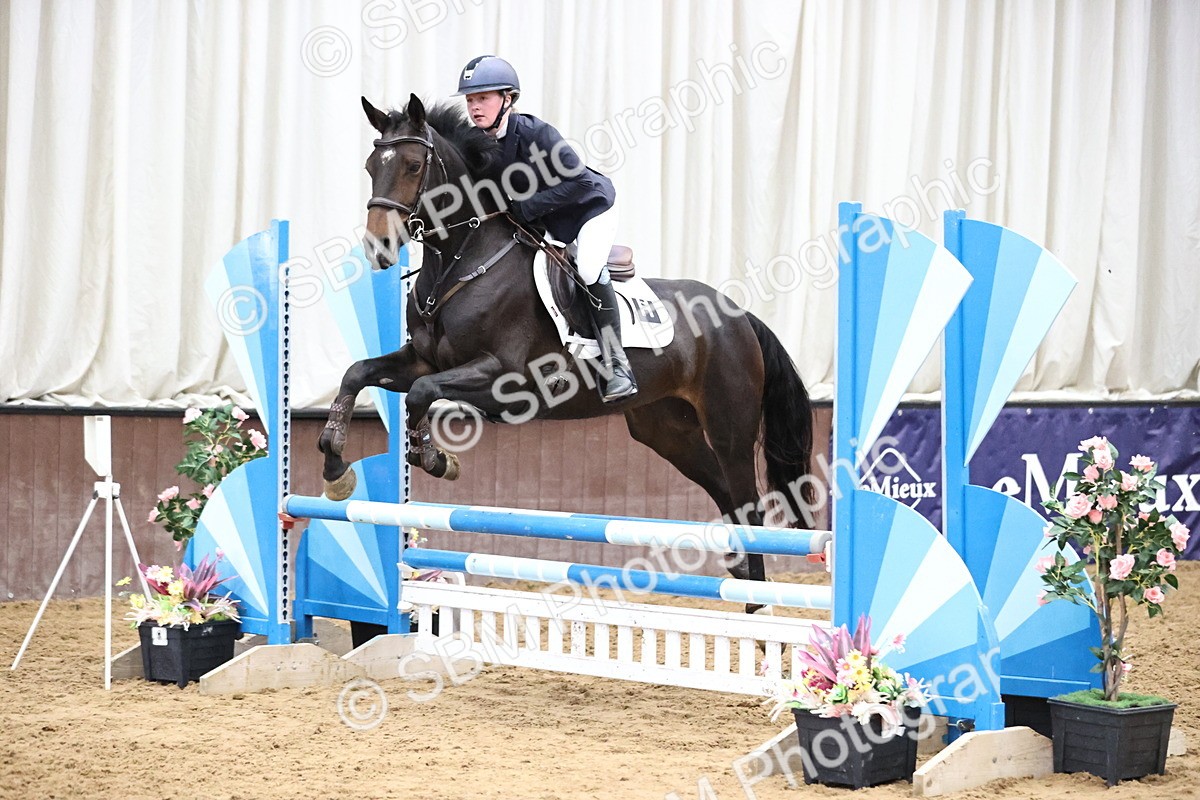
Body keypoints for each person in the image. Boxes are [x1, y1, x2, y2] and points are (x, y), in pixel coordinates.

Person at [455, 55, 637, 404]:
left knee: (587, 269)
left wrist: (526, 207)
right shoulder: (476, 141)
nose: (475, 107)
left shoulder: (536, 134)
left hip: (589, 209)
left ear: (508, 98)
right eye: (470, 100)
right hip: (546, 222)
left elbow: (579, 182)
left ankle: (617, 364)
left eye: (483, 98)